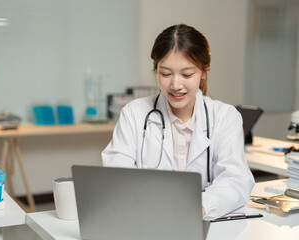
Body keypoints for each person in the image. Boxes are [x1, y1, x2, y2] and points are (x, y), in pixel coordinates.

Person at [101, 23, 254, 220]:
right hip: (146, 222)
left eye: (187, 74)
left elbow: (235, 180)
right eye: (165, 73)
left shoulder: (225, 117)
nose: (175, 85)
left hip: (202, 224)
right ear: (156, 70)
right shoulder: (134, 113)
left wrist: (200, 207)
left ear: (204, 71)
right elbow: (116, 175)